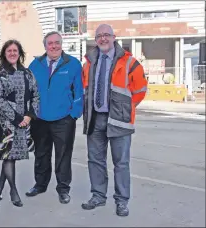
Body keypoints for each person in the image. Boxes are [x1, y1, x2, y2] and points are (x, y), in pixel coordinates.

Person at [81, 24, 148, 216]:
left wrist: (126, 109)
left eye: (106, 35)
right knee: (95, 160)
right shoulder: (89, 63)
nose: (103, 39)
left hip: (119, 121)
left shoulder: (129, 62)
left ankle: (121, 201)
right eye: (99, 36)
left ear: (113, 37)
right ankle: (98, 196)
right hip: (95, 120)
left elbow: (141, 90)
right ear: (96, 40)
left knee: (121, 163)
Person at [26, 31, 83, 204]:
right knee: (41, 154)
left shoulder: (73, 64)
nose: (54, 46)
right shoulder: (35, 64)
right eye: (50, 43)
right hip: (40, 119)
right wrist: (30, 114)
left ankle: (63, 189)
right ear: (45, 46)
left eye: (57, 42)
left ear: (61, 44)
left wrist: (74, 114)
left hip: (64, 119)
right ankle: (40, 185)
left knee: (63, 155)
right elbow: (29, 92)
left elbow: (79, 92)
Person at [0, 39, 39, 207]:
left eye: (15, 51)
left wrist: (29, 116)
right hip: (6, 124)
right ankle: (13, 190)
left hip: (25, 122)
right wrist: (17, 119)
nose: (12, 53)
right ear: (4, 53)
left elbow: (35, 96)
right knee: (9, 156)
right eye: (9, 50)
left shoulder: (28, 74)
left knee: (11, 157)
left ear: (19, 54)